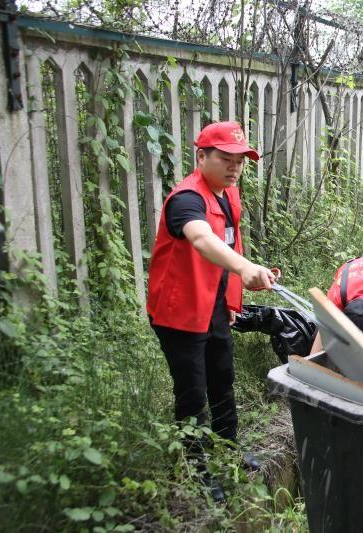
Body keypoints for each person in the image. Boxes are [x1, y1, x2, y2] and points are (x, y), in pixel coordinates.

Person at [147, 121, 276, 502]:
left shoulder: (226, 194)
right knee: (192, 392)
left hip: (213, 307)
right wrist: (243, 267)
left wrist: (231, 301)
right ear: (201, 156)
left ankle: (229, 450)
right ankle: (197, 469)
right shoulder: (187, 199)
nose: (235, 167)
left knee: (223, 379)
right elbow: (202, 239)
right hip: (179, 313)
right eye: (225, 158)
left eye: (241, 160)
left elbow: (224, 247)